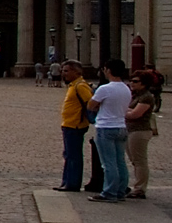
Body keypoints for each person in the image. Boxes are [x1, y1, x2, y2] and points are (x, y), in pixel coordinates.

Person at [86, 60, 131, 202]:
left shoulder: (105, 88)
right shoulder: (125, 88)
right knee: (120, 162)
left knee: (108, 163)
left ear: (108, 70)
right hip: (121, 126)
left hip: (106, 127)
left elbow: (91, 105)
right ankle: (120, 191)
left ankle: (109, 192)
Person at [53, 61, 94, 193]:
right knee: (68, 155)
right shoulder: (73, 85)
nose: (63, 74)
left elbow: (90, 103)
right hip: (69, 124)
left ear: (77, 72)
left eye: (66, 71)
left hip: (76, 125)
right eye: (63, 71)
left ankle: (73, 183)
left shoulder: (80, 86)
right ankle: (66, 181)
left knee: (74, 156)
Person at [125, 72, 157, 200]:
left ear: (144, 83)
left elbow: (135, 114)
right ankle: (138, 186)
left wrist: (121, 110)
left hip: (140, 131)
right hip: (131, 130)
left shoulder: (146, 97)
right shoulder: (136, 96)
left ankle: (140, 188)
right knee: (134, 160)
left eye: (135, 81)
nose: (132, 83)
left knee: (140, 160)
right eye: (131, 80)